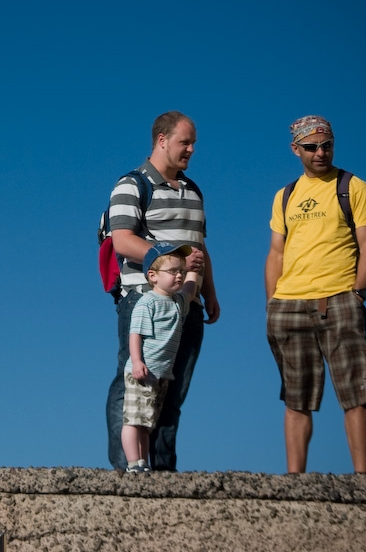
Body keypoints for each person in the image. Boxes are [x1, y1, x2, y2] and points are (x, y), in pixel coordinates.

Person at [264, 115, 366, 474]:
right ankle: (295, 482)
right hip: (289, 305)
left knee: (357, 392)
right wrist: (272, 303)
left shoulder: (354, 187)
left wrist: (358, 294)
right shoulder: (285, 196)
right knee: (295, 398)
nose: (320, 153)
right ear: (296, 149)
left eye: (326, 145)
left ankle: (364, 482)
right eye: (312, 147)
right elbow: (276, 253)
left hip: (340, 299)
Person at [105, 111, 220, 472]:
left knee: (173, 390)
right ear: (162, 140)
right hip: (144, 300)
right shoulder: (132, 185)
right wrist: (175, 259)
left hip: (189, 304)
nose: (191, 149)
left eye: (194, 143)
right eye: (185, 142)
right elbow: (123, 241)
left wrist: (210, 293)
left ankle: (164, 473)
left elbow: (200, 245)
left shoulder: (193, 191)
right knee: (133, 383)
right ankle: (127, 470)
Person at [121, 243, 203, 473]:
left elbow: (189, 291)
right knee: (133, 419)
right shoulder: (147, 302)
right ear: (153, 276)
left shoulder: (177, 302)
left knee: (147, 422)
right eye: (173, 271)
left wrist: (193, 270)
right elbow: (135, 334)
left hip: (161, 374)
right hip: (142, 372)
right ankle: (132, 462)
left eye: (181, 271)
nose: (179, 276)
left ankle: (143, 463)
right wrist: (137, 361)